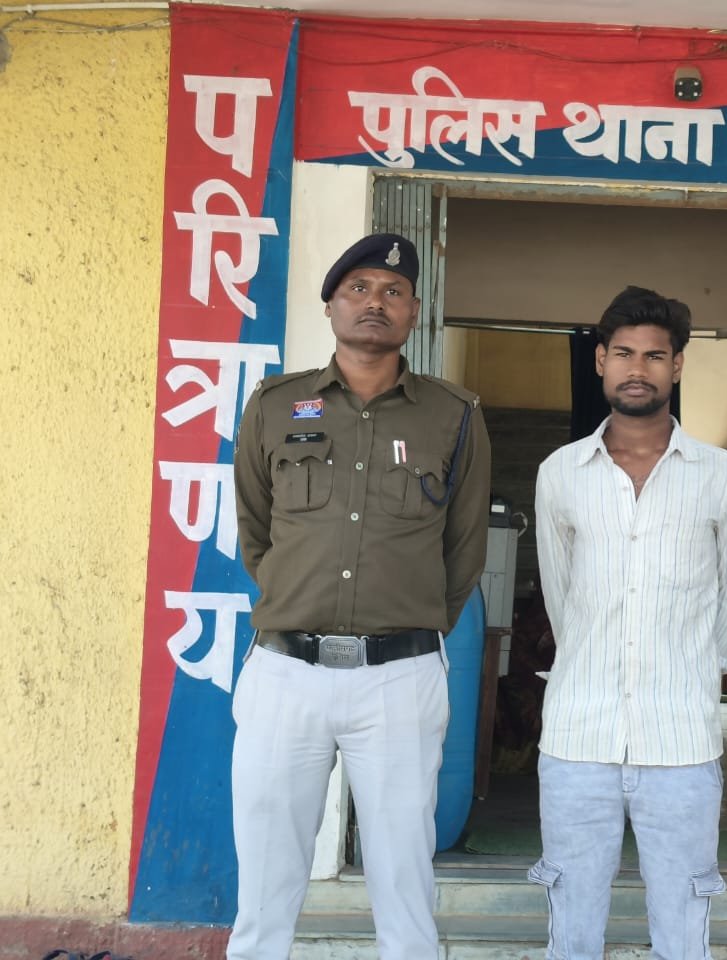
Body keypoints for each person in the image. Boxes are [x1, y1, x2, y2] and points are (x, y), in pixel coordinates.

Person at [229, 233, 491, 960]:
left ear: (414, 314)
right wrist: (299, 601)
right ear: (330, 306)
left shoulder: (453, 414)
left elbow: (464, 548)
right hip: (286, 673)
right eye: (359, 288)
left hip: (399, 678)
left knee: (403, 875)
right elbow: (256, 531)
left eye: (393, 292)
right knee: (266, 876)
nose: (376, 302)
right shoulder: (274, 405)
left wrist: (408, 624)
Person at [530, 286, 727, 960]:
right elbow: (561, 597)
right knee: (571, 933)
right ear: (600, 361)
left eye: (655, 356)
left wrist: (693, 670)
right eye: (624, 353)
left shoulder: (722, 477)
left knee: (683, 937)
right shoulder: (560, 474)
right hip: (577, 739)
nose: (639, 369)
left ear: (677, 366)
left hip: (680, 742)